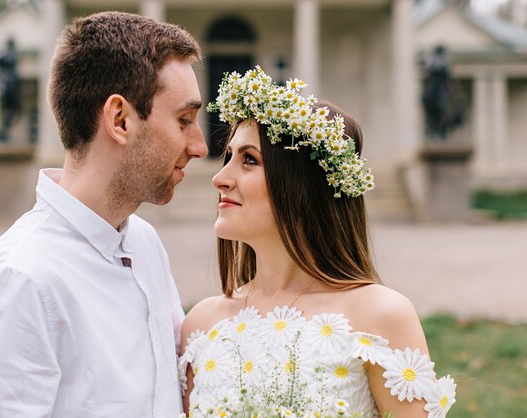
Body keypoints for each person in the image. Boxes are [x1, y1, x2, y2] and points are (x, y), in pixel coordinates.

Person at [0, 11, 207, 417]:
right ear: (120, 120)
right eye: (184, 120)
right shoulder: (21, 280)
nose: (200, 146)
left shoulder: (144, 243)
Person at [179, 66, 456, 418]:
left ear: (303, 186)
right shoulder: (202, 326)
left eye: (249, 160)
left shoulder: (379, 317)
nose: (220, 178)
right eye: (228, 156)